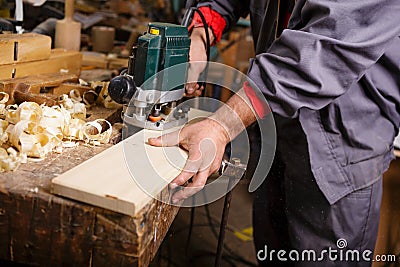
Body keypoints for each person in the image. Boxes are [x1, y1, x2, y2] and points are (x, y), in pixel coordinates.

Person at [148, 0, 400, 266]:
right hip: (273, 126)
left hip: (339, 147)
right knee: (272, 253)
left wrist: (221, 125)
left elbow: (321, 52)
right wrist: (200, 34)